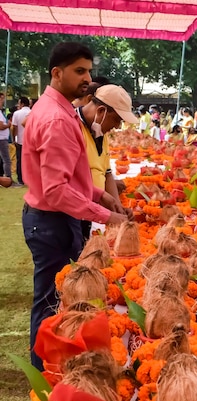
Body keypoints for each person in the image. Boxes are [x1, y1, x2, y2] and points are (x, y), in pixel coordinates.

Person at [21, 42, 129, 370]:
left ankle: (54, 363)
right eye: (79, 71)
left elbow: (69, 177)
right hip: (51, 220)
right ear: (57, 73)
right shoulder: (56, 118)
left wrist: (100, 195)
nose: (87, 78)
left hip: (52, 219)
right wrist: (106, 215)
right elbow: (56, 191)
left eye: (89, 70)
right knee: (51, 300)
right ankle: (46, 371)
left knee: (58, 297)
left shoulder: (62, 110)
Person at [77, 84, 138, 238]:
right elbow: (71, 182)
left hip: (87, 212)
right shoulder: (72, 128)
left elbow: (107, 173)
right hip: (69, 214)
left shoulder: (100, 132)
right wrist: (108, 214)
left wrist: (118, 207)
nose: (117, 126)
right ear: (102, 111)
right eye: (117, 119)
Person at [11, 96, 30, 187]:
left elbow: (14, 127)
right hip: (30, 141)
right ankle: (30, 179)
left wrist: (14, 137)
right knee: (30, 161)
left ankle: (20, 179)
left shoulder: (16, 113)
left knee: (19, 161)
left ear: (22, 104)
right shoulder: (32, 112)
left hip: (20, 140)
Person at [0, 93, 12, 182]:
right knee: (6, 160)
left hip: (3, 138)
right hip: (2, 139)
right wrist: (8, 125)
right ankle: (8, 178)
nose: (3, 101)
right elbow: (0, 126)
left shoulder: (1, 112)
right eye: (2, 99)